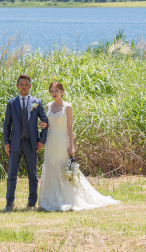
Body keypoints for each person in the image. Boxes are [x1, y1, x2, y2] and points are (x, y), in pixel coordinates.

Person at [38, 82, 120, 212]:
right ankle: (51, 198)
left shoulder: (67, 107)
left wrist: (71, 145)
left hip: (62, 141)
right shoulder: (48, 106)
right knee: (50, 165)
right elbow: (46, 125)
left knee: (62, 167)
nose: (54, 93)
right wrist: (42, 126)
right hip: (50, 140)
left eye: (57, 90)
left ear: (62, 92)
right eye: (51, 91)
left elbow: (70, 128)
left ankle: (68, 197)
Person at [3, 74, 49, 211]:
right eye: (21, 84)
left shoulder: (37, 102)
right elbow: (6, 125)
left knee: (33, 175)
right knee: (11, 174)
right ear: (17, 86)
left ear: (30, 86)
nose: (24, 86)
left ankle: (32, 203)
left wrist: (41, 141)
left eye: (26, 84)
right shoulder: (11, 103)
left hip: (31, 144)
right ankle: (9, 203)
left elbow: (45, 122)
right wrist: (6, 142)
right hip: (15, 144)